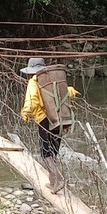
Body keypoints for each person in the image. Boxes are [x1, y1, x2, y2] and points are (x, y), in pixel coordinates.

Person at [20, 57, 79, 193]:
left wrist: (26, 113)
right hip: (58, 119)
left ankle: (57, 180)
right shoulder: (54, 80)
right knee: (54, 150)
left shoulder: (33, 82)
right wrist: (73, 92)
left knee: (45, 153)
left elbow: (32, 100)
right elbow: (68, 91)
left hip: (44, 119)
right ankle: (53, 182)